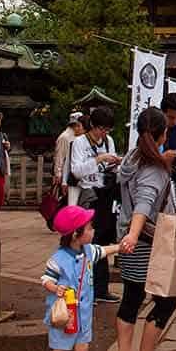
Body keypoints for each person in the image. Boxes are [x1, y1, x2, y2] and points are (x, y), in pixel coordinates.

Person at [114, 107, 176, 351]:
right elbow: (144, 202)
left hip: (129, 240)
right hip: (147, 243)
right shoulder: (153, 167)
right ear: (163, 134)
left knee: (131, 299)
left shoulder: (132, 158)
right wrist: (133, 234)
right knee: (166, 300)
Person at [42, 205, 121, 351]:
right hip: (64, 315)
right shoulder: (57, 260)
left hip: (84, 314)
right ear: (75, 235)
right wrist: (55, 288)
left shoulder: (89, 251)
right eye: (89, 228)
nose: (93, 231)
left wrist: (120, 247)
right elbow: (47, 280)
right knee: (60, 347)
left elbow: (103, 250)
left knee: (83, 346)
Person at [70, 106, 122, 303]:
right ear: (92, 125)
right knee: (87, 240)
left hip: (107, 194)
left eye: (107, 130)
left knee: (103, 241)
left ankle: (101, 288)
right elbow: (76, 171)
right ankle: (84, 288)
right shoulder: (79, 143)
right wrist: (98, 159)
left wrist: (115, 162)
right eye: (101, 129)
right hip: (89, 195)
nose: (104, 133)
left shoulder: (109, 141)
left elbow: (112, 167)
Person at [54, 112, 84, 204]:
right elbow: (60, 156)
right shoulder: (65, 137)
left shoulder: (78, 136)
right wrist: (58, 173)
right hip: (65, 173)